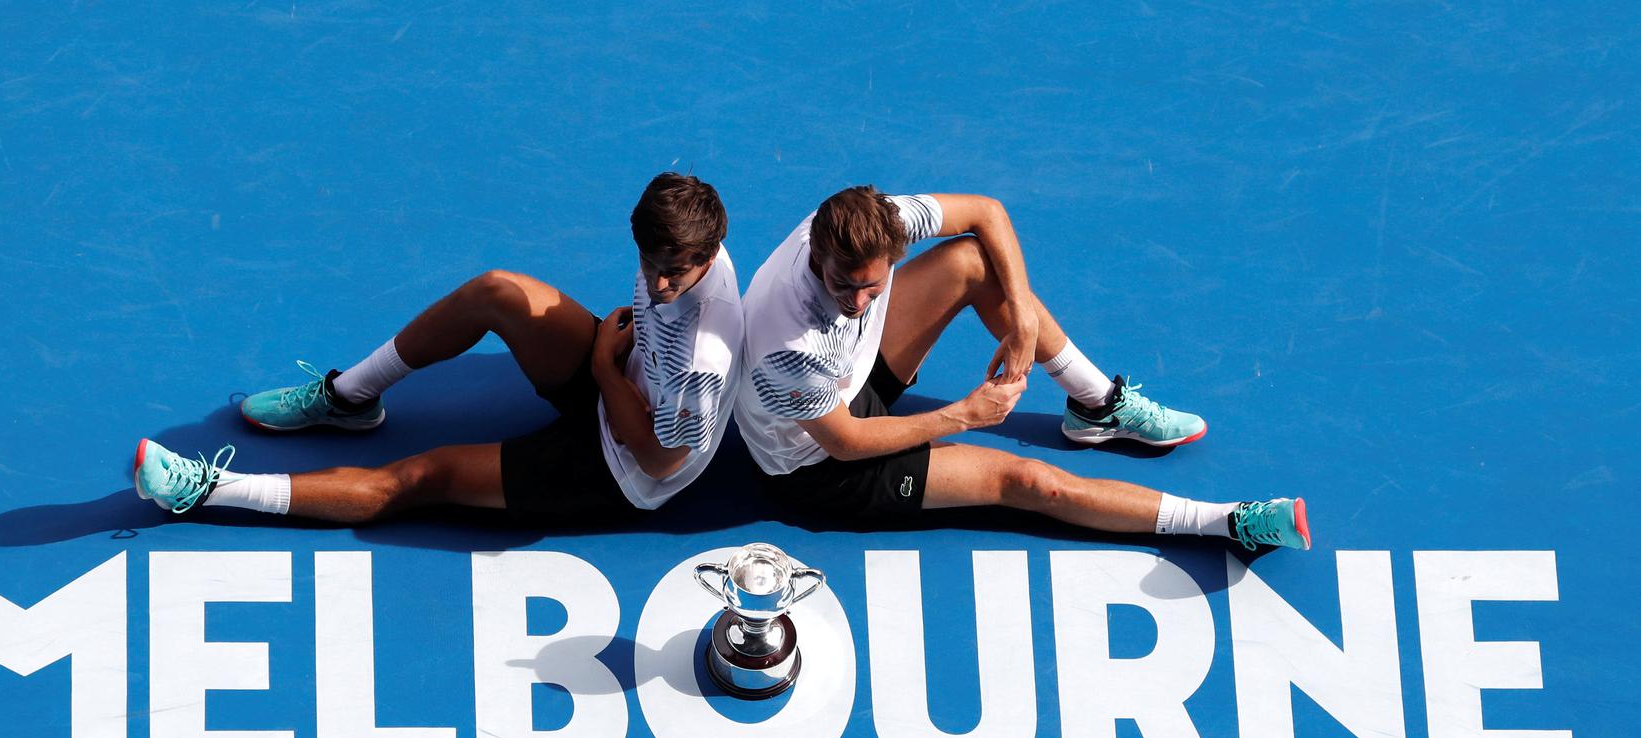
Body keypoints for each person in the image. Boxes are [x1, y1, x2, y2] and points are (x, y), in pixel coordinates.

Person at [132, 172, 743, 523]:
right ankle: (349, 397)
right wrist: (615, 363)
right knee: (497, 292)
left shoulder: (702, 363)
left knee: (419, 476)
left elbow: (660, 461)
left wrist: (605, 369)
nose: (657, 284)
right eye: (649, 264)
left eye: (674, 274)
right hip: (626, 376)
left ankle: (208, 489)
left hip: (621, 466)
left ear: (708, 255)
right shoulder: (679, 242)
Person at [732, 186, 1310, 550]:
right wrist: (964, 415)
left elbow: (987, 213)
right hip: (819, 462)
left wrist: (1023, 323)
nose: (858, 302)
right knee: (1028, 482)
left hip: (849, 380)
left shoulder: (879, 221)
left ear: (895, 248)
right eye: (842, 285)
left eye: (871, 286)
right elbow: (846, 442)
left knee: (970, 261)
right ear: (818, 254)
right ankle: (1226, 522)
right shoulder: (790, 340)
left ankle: (1095, 404)